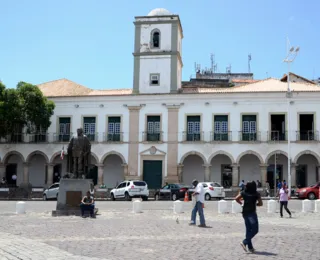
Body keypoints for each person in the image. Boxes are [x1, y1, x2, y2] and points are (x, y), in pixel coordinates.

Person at [236, 181, 263, 253]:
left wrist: (241, 204)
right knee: (255, 230)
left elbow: (236, 198)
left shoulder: (243, 192)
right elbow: (260, 204)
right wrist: (255, 204)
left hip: (244, 213)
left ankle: (250, 248)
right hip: (252, 213)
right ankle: (245, 242)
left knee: (248, 230)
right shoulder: (256, 194)